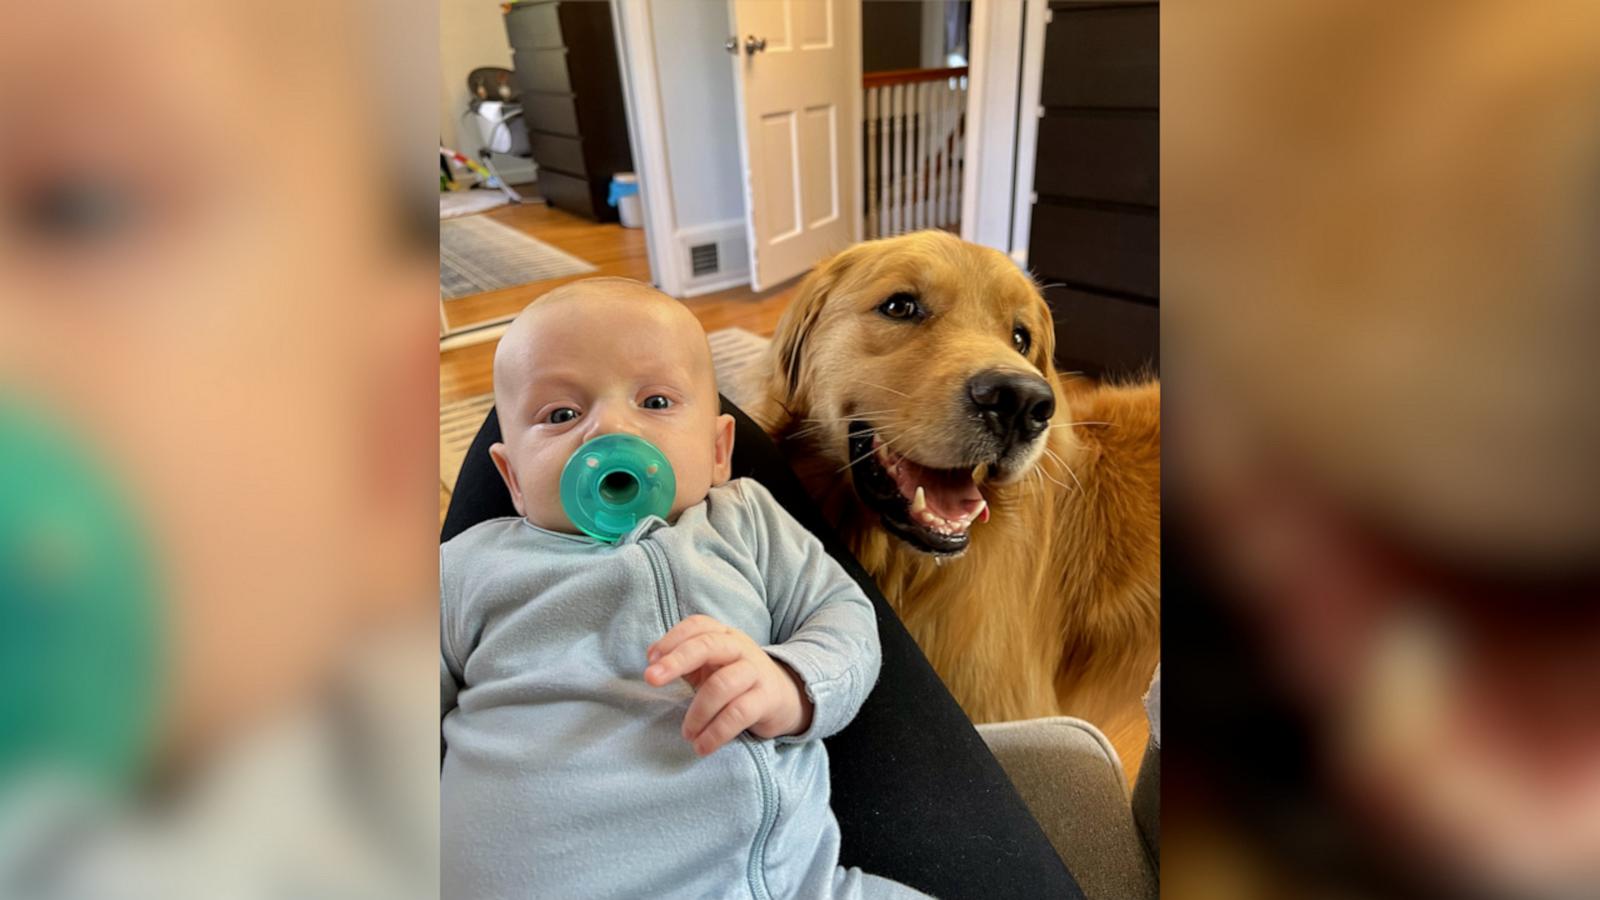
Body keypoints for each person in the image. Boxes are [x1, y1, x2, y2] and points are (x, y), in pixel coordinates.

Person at [440, 278, 927, 898]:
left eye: (656, 402)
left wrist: (792, 683)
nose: (609, 429)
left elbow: (844, 616)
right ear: (510, 478)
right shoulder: (467, 568)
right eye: (561, 414)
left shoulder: (747, 520)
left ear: (720, 450)